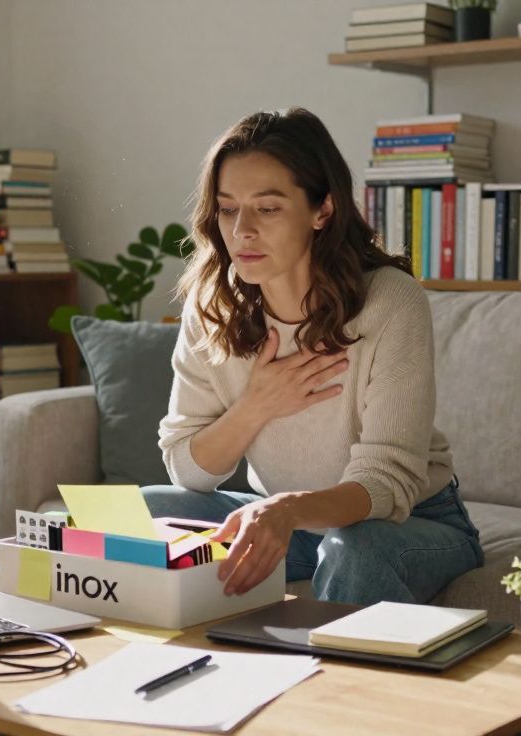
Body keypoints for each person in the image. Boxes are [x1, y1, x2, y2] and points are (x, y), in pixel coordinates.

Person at [145, 107, 483, 606]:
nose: (242, 231)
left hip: (408, 523)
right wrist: (257, 405)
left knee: (351, 549)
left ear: (322, 210)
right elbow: (188, 470)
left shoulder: (389, 302)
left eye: (268, 208)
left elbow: (386, 481)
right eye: (228, 208)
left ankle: (332, 683)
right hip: (293, 522)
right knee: (146, 514)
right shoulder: (212, 305)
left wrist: (286, 511)